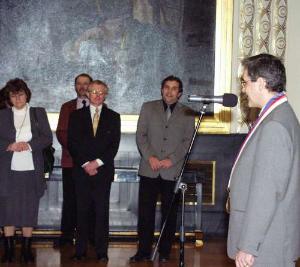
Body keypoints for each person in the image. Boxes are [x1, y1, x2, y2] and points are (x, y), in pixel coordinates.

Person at [227, 54, 300, 267]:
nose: (243, 89)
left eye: (245, 82)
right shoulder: (280, 115)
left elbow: (266, 192)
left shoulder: (275, 125)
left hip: (266, 242)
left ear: (261, 83)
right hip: (270, 235)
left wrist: (249, 245)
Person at [130, 75, 194, 263]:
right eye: (167, 87)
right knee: (145, 213)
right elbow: (141, 135)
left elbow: (187, 141)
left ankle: (165, 251)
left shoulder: (188, 113)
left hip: (171, 170)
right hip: (149, 168)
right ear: (161, 89)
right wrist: (150, 156)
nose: (170, 91)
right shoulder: (148, 107)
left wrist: (170, 160)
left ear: (180, 93)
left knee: (169, 214)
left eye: (174, 88)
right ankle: (143, 251)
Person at [0, 78, 52, 263]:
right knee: (7, 211)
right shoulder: (3, 115)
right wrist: (9, 145)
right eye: (13, 95)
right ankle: (8, 250)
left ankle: (27, 249)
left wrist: (29, 145)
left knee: (29, 210)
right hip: (8, 172)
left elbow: (47, 138)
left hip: (31, 171)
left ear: (27, 94)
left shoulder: (38, 113)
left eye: (20, 94)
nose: (18, 98)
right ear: (9, 98)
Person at [68, 80, 121, 262]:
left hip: (103, 172)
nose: (97, 95)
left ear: (105, 95)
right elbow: (72, 143)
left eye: (101, 92)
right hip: (81, 172)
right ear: (87, 94)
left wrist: (96, 163)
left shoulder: (114, 117)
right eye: (94, 92)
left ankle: (101, 251)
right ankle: (80, 251)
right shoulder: (75, 116)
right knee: (81, 212)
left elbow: (113, 146)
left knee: (101, 212)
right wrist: (85, 164)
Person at [55, 73, 92, 246]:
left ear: (91, 86)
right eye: (79, 83)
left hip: (92, 164)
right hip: (71, 161)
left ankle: (89, 237)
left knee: (90, 200)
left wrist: (88, 157)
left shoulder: (101, 107)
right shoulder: (67, 107)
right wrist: (78, 154)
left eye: (86, 83)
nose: (83, 86)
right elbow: (62, 132)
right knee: (70, 199)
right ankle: (67, 237)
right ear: (75, 86)